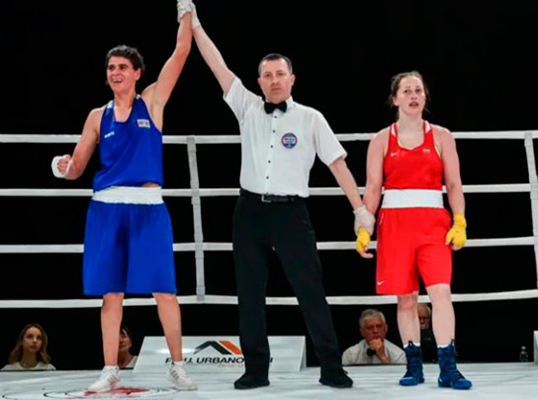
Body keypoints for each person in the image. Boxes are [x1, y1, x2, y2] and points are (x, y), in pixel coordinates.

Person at [187, 1, 375, 389]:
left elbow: (338, 164)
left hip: (291, 214)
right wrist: (195, 24)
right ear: (259, 81)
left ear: (292, 79)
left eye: (280, 74)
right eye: (267, 75)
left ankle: (331, 367)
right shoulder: (246, 107)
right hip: (249, 212)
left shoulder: (310, 117)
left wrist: (360, 210)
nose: (274, 80)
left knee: (310, 291)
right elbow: (217, 65)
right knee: (249, 295)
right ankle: (256, 370)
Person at [50, 1, 197, 392]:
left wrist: (186, 10)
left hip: (148, 209)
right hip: (107, 209)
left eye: (122, 67)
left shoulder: (154, 102)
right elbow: (77, 167)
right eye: (110, 68)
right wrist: (61, 166)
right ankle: (109, 368)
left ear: (137, 73)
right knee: (111, 293)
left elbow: (182, 51)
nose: (115, 72)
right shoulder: (96, 116)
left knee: (165, 289)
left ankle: (178, 365)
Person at [357, 71, 472, 389]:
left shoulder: (442, 136)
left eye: (418, 90)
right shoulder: (381, 140)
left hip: (433, 223)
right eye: (406, 91)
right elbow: (373, 188)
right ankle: (414, 366)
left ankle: (449, 368)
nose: (413, 96)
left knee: (441, 293)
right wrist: (364, 229)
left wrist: (460, 221)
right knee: (405, 299)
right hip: (394, 225)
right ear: (394, 99)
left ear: (425, 97)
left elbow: (454, 184)